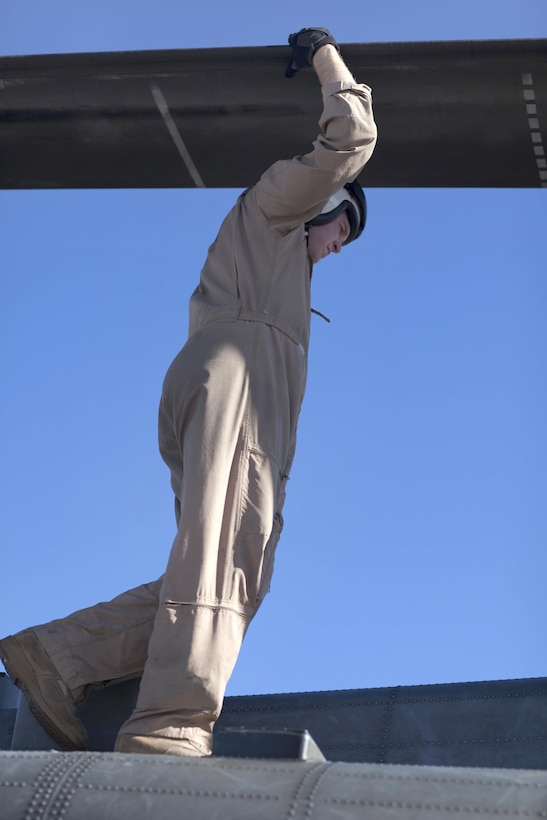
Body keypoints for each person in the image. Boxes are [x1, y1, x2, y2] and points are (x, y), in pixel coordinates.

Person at [0, 28, 377, 757]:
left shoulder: (278, 273)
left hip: (230, 384)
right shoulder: (277, 209)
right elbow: (353, 136)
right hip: (236, 377)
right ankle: (169, 725)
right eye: (344, 228)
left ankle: (61, 657)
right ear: (322, 207)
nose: (339, 246)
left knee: (232, 567)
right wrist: (327, 58)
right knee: (220, 555)